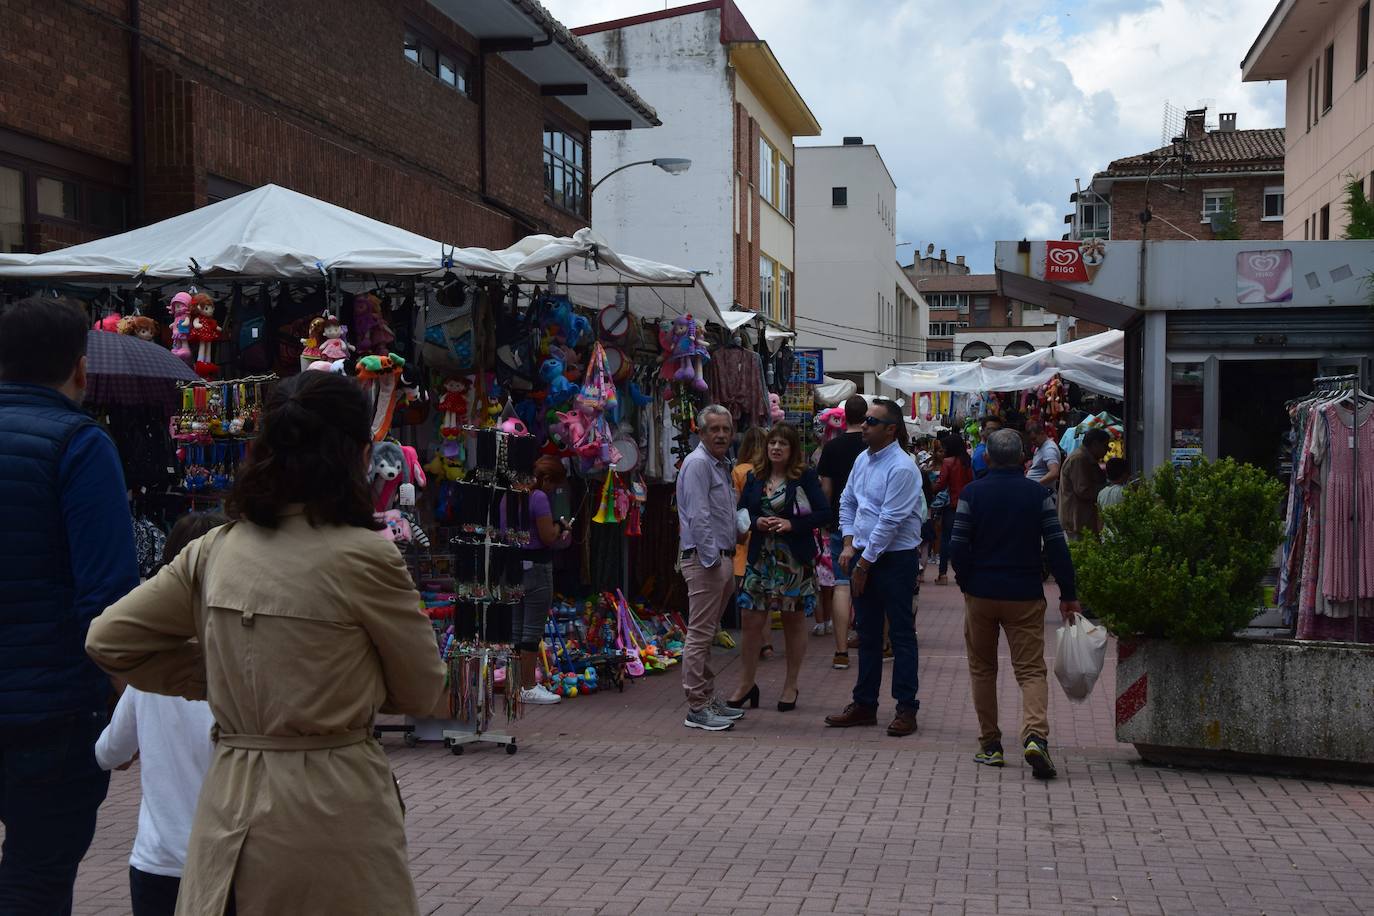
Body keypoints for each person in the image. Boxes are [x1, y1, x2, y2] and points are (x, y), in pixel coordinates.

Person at [86, 371, 447, 915]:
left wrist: (225, 676)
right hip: (332, 807)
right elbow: (421, 690)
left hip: (228, 802)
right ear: (357, 455)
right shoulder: (366, 555)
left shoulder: (215, 548)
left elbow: (109, 639)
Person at [0, 297, 140, 914]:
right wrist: (128, 698)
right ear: (80, 368)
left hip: (44, 701)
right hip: (50, 706)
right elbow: (106, 597)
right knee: (36, 876)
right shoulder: (79, 445)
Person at [95, 512, 226, 916]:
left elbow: (108, 753)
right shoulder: (243, 668)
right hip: (229, 861)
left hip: (158, 861)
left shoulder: (152, 673)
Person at [950, 429, 1083, 780]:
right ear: (1024, 459)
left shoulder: (972, 493)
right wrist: (1068, 594)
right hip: (1024, 593)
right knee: (1031, 670)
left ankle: (991, 745)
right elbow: (1056, 546)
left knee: (983, 669)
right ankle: (1035, 736)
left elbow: (957, 545)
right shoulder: (1038, 494)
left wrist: (966, 581)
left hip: (981, 593)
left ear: (987, 458)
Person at [825, 398, 925, 738]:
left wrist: (864, 563)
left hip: (894, 559)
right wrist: (849, 543)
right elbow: (847, 501)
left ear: (891, 429)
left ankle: (906, 707)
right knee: (867, 633)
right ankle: (865, 703)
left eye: (872, 421)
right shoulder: (862, 459)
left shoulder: (902, 467)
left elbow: (890, 521)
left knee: (900, 634)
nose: (864, 425)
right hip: (863, 554)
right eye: (865, 420)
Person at [732, 424, 831, 712]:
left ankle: (791, 685)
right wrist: (756, 521)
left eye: (783, 443)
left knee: (793, 620)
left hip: (793, 560)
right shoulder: (755, 476)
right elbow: (742, 510)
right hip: (760, 557)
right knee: (751, 618)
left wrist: (791, 524)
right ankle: (746, 683)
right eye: (772, 442)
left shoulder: (804, 477)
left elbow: (824, 513)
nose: (776, 448)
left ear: (792, 449)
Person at [675, 405, 746, 731]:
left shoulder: (720, 464)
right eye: (714, 429)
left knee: (708, 634)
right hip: (706, 560)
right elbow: (698, 515)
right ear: (701, 433)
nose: (720, 435)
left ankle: (706, 698)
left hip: (721, 557)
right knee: (700, 635)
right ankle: (697, 707)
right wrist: (712, 560)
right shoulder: (699, 464)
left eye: (725, 429)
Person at [816, 395, 868, 669]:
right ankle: (875, 643)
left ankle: (840, 652)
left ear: (844, 416)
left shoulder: (832, 447)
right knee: (869, 581)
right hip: (868, 524)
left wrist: (826, 516)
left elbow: (826, 488)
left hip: (839, 520)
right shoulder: (872, 444)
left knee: (841, 583)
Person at [516, 456, 574, 705]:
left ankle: (516, 683)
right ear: (546, 479)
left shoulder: (513, 492)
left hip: (513, 565)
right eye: (553, 485)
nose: (552, 490)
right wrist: (561, 527)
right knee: (531, 630)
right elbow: (548, 536)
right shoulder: (537, 496)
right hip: (536, 567)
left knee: (517, 628)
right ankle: (528, 685)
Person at [732, 427, 774, 658]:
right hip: (764, 537)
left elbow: (737, 507)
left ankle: (752, 642)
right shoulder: (768, 471)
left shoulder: (739, 471)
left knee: (748, 597)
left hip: (744, 537)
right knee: (765, 596)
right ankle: (766, 643)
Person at [933, 433, 974, 586]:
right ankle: (966, 571)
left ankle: (943, 574)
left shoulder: (948, 462)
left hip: (952, 505)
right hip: (968, 504)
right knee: (967, 539)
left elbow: (941, 484)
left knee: (946, 539)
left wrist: (930, 488)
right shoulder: (968, 461)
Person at [1058, 428, 1111, 539]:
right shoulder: (1079, 459)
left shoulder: (1085, 458)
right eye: (1105, 446)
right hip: (1077, 521)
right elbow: (1083, 490)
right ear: (1095, 444)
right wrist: (1108, 490)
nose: (1107, 450)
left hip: (1082, 520)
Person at [1025, 419, 1062, 493]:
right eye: (1031, 440)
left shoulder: (1049, 449)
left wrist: (1035, 485)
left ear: (1042, 433)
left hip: (1042, 492)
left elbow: (1054, 473)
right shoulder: (1040, 446)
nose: (1033, 442)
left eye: (1034, 439)